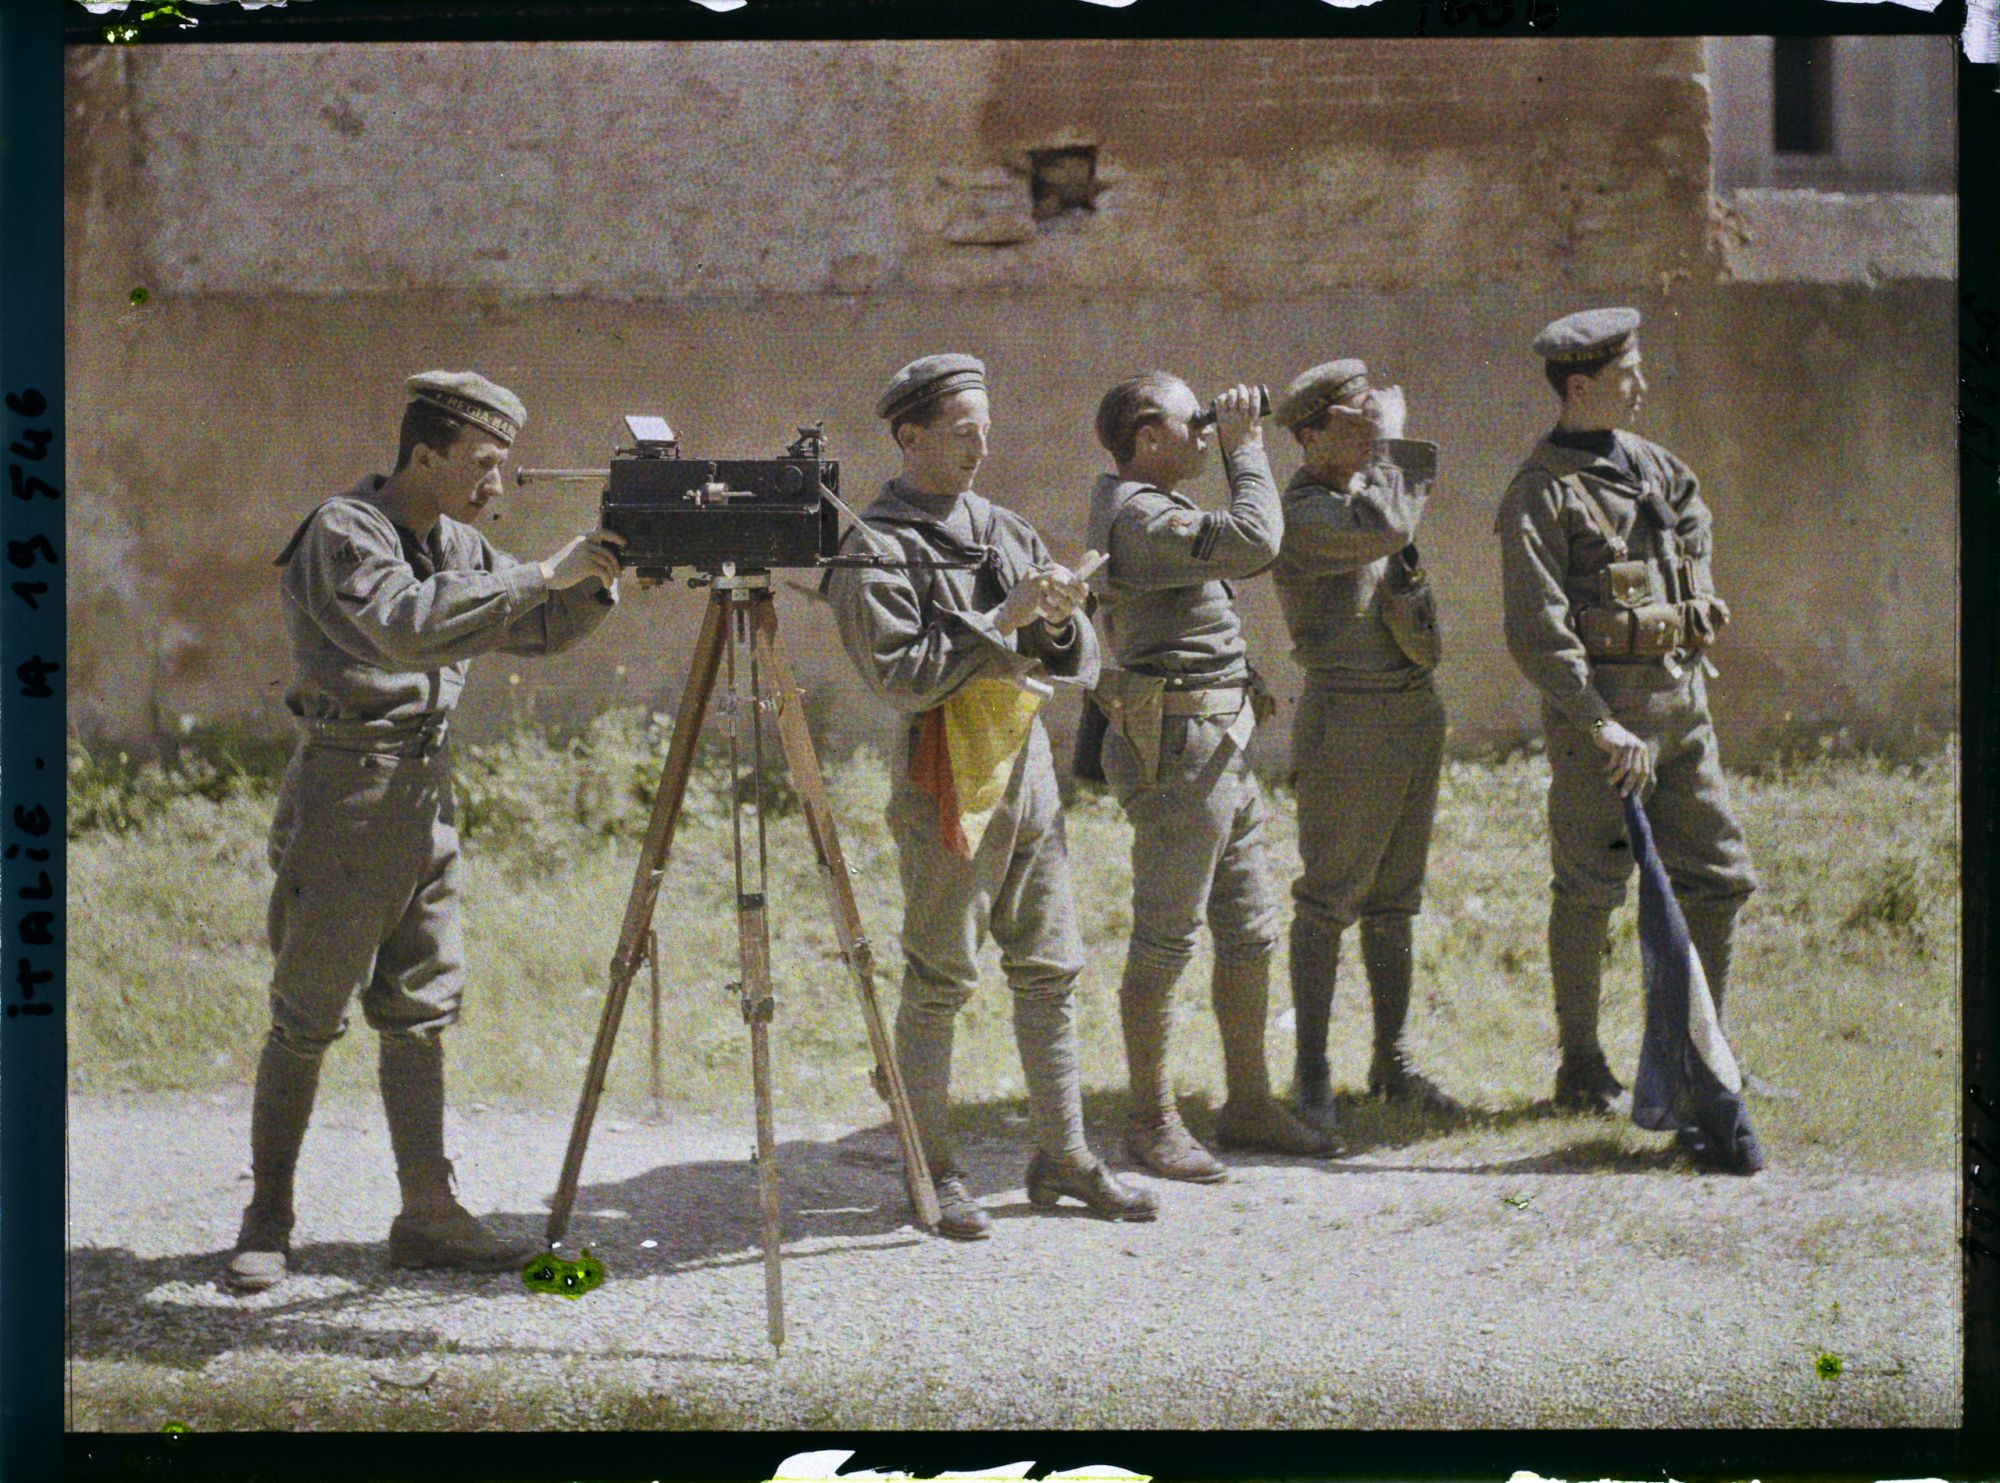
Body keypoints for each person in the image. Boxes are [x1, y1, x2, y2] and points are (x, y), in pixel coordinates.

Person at [227, 371, 625, 1293]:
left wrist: (602, 577)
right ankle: (268, 1215)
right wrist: (540, 572)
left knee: (421, 1004)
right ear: (425, 455)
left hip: (425, 793)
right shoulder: (344, 533)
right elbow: (405, 628)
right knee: (308, 1008)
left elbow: (533, 627)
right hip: (347, 789)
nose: (496, 484)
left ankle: (428, 1211)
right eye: (483, 465)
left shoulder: (458, 542)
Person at [825, 353, 1158, 1240]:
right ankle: (928, 1169)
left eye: (986, 427)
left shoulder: (1002, 526)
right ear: (910, 436)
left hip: (1025, 766)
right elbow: (900, 676)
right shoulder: (873, 544)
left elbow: (1077, 658)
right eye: (962, 430)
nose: (981, 445)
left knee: (1052, 969)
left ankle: (1066, 1154)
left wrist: (1056, 618)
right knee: (939, 978)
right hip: (943, 771)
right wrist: (1003, 620)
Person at [1494, 308, 1756, 1114]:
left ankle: (1696, 1061)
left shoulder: (1649, 463)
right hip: (1601, 733)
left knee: (1718, 880)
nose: (1642, 384)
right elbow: (1537, 629)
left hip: (1680, 713)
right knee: (1590, 891)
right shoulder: (1540, 493)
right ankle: (1580, 1065)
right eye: (1626, 375)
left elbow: (1694, 511)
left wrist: (1700, 587)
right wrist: (1598, 721)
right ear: (1580, 387)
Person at [1085, 372, 1338, 1184]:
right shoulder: (1139, 516)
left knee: (1250, 930)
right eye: (1190, 424)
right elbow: (1260, 542)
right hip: (1180, 748)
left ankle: (1248, 1101)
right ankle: (1150, 1121)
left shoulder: (1162, 508)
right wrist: (1248, 451)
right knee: (1166, 939)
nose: (1205, 433)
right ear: (1147, 437)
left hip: (1217, 740)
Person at [1271, 360, 1462, 1133]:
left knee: (1396, 899)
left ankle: (1394, 1058)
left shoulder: (1358, 500)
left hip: (1410, 708)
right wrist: (1392, 440)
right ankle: (1311, 1071)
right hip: (1349, 718)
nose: (1374, 423)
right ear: (1312, 435)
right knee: (1328, 899)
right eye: (1358, 416)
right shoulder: (1306, 513)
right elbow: (1388, 528)